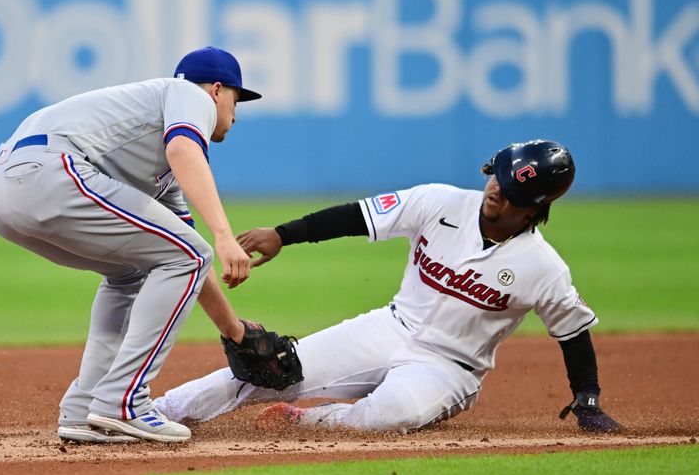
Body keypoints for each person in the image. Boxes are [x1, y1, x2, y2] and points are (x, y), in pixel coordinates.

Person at [154, 140, 621, 434]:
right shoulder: (438, 201)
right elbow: (357, 216)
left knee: (389, 415)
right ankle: (156, 411)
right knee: (270, 368)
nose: (495, 189)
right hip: (389, 328)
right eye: (497, 178)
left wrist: (588, 397)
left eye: (509, 190)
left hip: (449, 368)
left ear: (534, 208)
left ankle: (311, 422)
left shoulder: (544, 267)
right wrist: (283, 234)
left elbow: (572, 333)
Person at [0, 47, 264, 443]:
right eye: (236, 97)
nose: (235, 111)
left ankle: (84, 409)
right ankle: (124, 401)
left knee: (134, 272)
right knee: (193, 254)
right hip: (51, 171)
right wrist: (224, 236)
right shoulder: (190, 96)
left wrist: (235, 332)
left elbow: (185, 257)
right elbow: (184, 151)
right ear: (217, 90)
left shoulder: (156, 160)